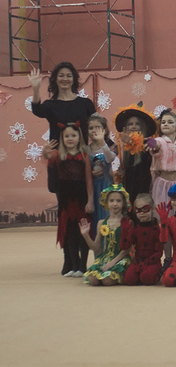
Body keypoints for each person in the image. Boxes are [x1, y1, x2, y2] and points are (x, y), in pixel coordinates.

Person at [29, 63, 96, 193]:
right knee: (62, 198)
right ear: (55, 79)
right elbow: (37, 110)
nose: (65, 79)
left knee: (84, 197)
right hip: (60, 159)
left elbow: (97, 125)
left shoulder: (85, 104)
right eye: (61, 75)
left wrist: (108, 145)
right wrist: (36, 89)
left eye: (68, 76)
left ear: (74, 79)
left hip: (82, 158)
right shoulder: (50, 105)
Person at [42, 122, 94, 277]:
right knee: (70, 231)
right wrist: (45, 152)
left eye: (73, 135)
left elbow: (89, 180)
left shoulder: (84, 156)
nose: (70, 138)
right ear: (62, 138)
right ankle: (74, 265)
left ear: (79, 137)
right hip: (66, 200)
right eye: (66, 136)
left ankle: (83, 266)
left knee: (83, 231)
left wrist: (90, 200)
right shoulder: (59, 155)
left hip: (81, 198)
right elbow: (48, 158)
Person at [79, 184, 131, 286]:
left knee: (107, 280)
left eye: (118, 201)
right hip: (105, 258)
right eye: (111, 201)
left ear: (124, 203)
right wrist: (86, 235)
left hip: (121, 258)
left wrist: (113, 262)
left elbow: (127, 249)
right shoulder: (101, 223)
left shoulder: (127, 222)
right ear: (106, 203)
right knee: (93, 280)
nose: (115, 204)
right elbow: (96, 247)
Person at [113, 102, 158, 201]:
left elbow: (149, 157)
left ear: (142, 127)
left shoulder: (147, 143)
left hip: (144, 184)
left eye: (137, 124)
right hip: (128, 184)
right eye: (130, 124)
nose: (133, 126)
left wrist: (133, 143)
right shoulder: (123, 145)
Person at [120, 193, 164, 286]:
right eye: (138, 210)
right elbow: (125, 247)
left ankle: (159, 272)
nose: (141, 213)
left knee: (146, 278)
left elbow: (159, 253)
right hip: (138, 261)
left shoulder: (157, 229)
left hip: (152, 262)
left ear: (152, 208)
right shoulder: (135, 229)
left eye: (145, 209)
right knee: (129, 280)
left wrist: (146, 263)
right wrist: (124, 232)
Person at [86, 113, 117, 236]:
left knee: (107, 217)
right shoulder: (86, 149)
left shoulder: (109, 148)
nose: (94, 130)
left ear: (104, 130)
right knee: (95, 220)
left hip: (106, 186)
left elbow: (110, 159)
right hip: (92, 188)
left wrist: (102, 142)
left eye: (98, 128)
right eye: (91, 128)